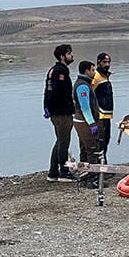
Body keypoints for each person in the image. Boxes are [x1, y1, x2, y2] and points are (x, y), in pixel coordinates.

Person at [43, 43, 75, 181]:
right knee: (64, 142)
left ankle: (53, 172)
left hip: (56, 111)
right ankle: (64, 172)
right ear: (62, 56)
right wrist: (69, 106)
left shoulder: (53, 70)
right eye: (69, 53)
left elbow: (48, 91)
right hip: (62, 112)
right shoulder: (60, 71)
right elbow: (58, 92)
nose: (71, 56)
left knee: (60, 141)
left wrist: (47, 107)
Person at [71, 60, 102, 170]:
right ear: (86, 71)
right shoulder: (82, 86)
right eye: (92, 70)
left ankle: (84, 173)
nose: (94, 72)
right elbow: (85, 107)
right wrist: (92, 123)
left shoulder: (84, 83)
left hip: (82, 121)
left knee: (84, 148)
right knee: (92, 149)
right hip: (84, 122)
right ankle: (92, 175)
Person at [91, 52, 114, 160]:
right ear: (98, 62)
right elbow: (90, 94)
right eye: (104, 62)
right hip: (100, 115)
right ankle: (99, 163)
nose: (107, 65)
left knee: (106, 139)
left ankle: (104, 161)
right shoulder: (96, 77)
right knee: (101, 141)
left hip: (107, 115)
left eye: (108, 62)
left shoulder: (105, 76)